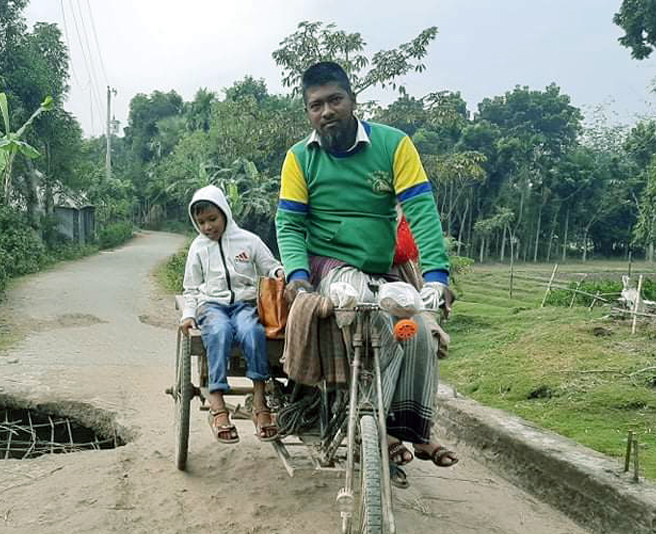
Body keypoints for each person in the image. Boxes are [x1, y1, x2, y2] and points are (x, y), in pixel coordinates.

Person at [275, 61, 458, 469]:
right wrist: (299, 277)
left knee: (420, 330)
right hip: (331, 265)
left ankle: (408, 428)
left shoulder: (394, 144)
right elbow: (288, 223)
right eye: (315, 105)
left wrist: (437, 276)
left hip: (381, 267)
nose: (326, 111)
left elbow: (421, 211)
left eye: (334, 100)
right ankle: (372, 424)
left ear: (353, 101)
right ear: (308, 112)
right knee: (369, 315)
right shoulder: (299, 158)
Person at [180, 185, 285, 444]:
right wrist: (188, 314)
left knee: (253, 331)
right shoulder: (198, 247)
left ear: (225, 213)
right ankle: (217, 403)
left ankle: (260, 403)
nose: (207, 227)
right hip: (211, 306)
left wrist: (280, 274)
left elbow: (270, 267)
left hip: (244, 305)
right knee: (219, 331)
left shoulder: (248, 241)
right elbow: (191, 288)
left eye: (212, 219)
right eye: (201, 222)